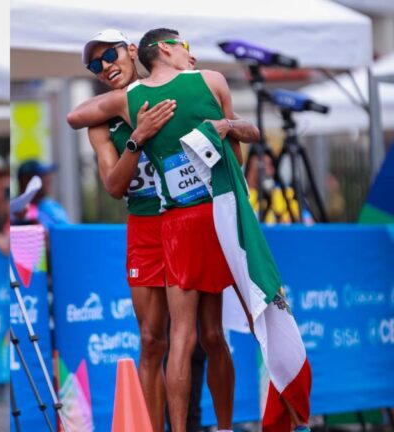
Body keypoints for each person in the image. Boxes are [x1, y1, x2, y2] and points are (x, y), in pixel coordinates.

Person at [68, 28, 256, 432]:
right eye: (94, 64)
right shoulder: (105, 119)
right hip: (147, 226)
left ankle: (216, 424)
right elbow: (114, 187)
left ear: (132, 51)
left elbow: (231, 143)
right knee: (154, 341)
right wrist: (137, 138)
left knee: (209, 336)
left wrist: (229, 127)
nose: (104, 67)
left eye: (110, 56)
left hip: (192, 219)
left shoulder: (180, 87)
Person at [16, 160, 70, 229]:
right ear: (26, 180)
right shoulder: (14, 210)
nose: (48, 179)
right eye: (42, 175)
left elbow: (66, 235)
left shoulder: (53, 206)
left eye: (47, 175)